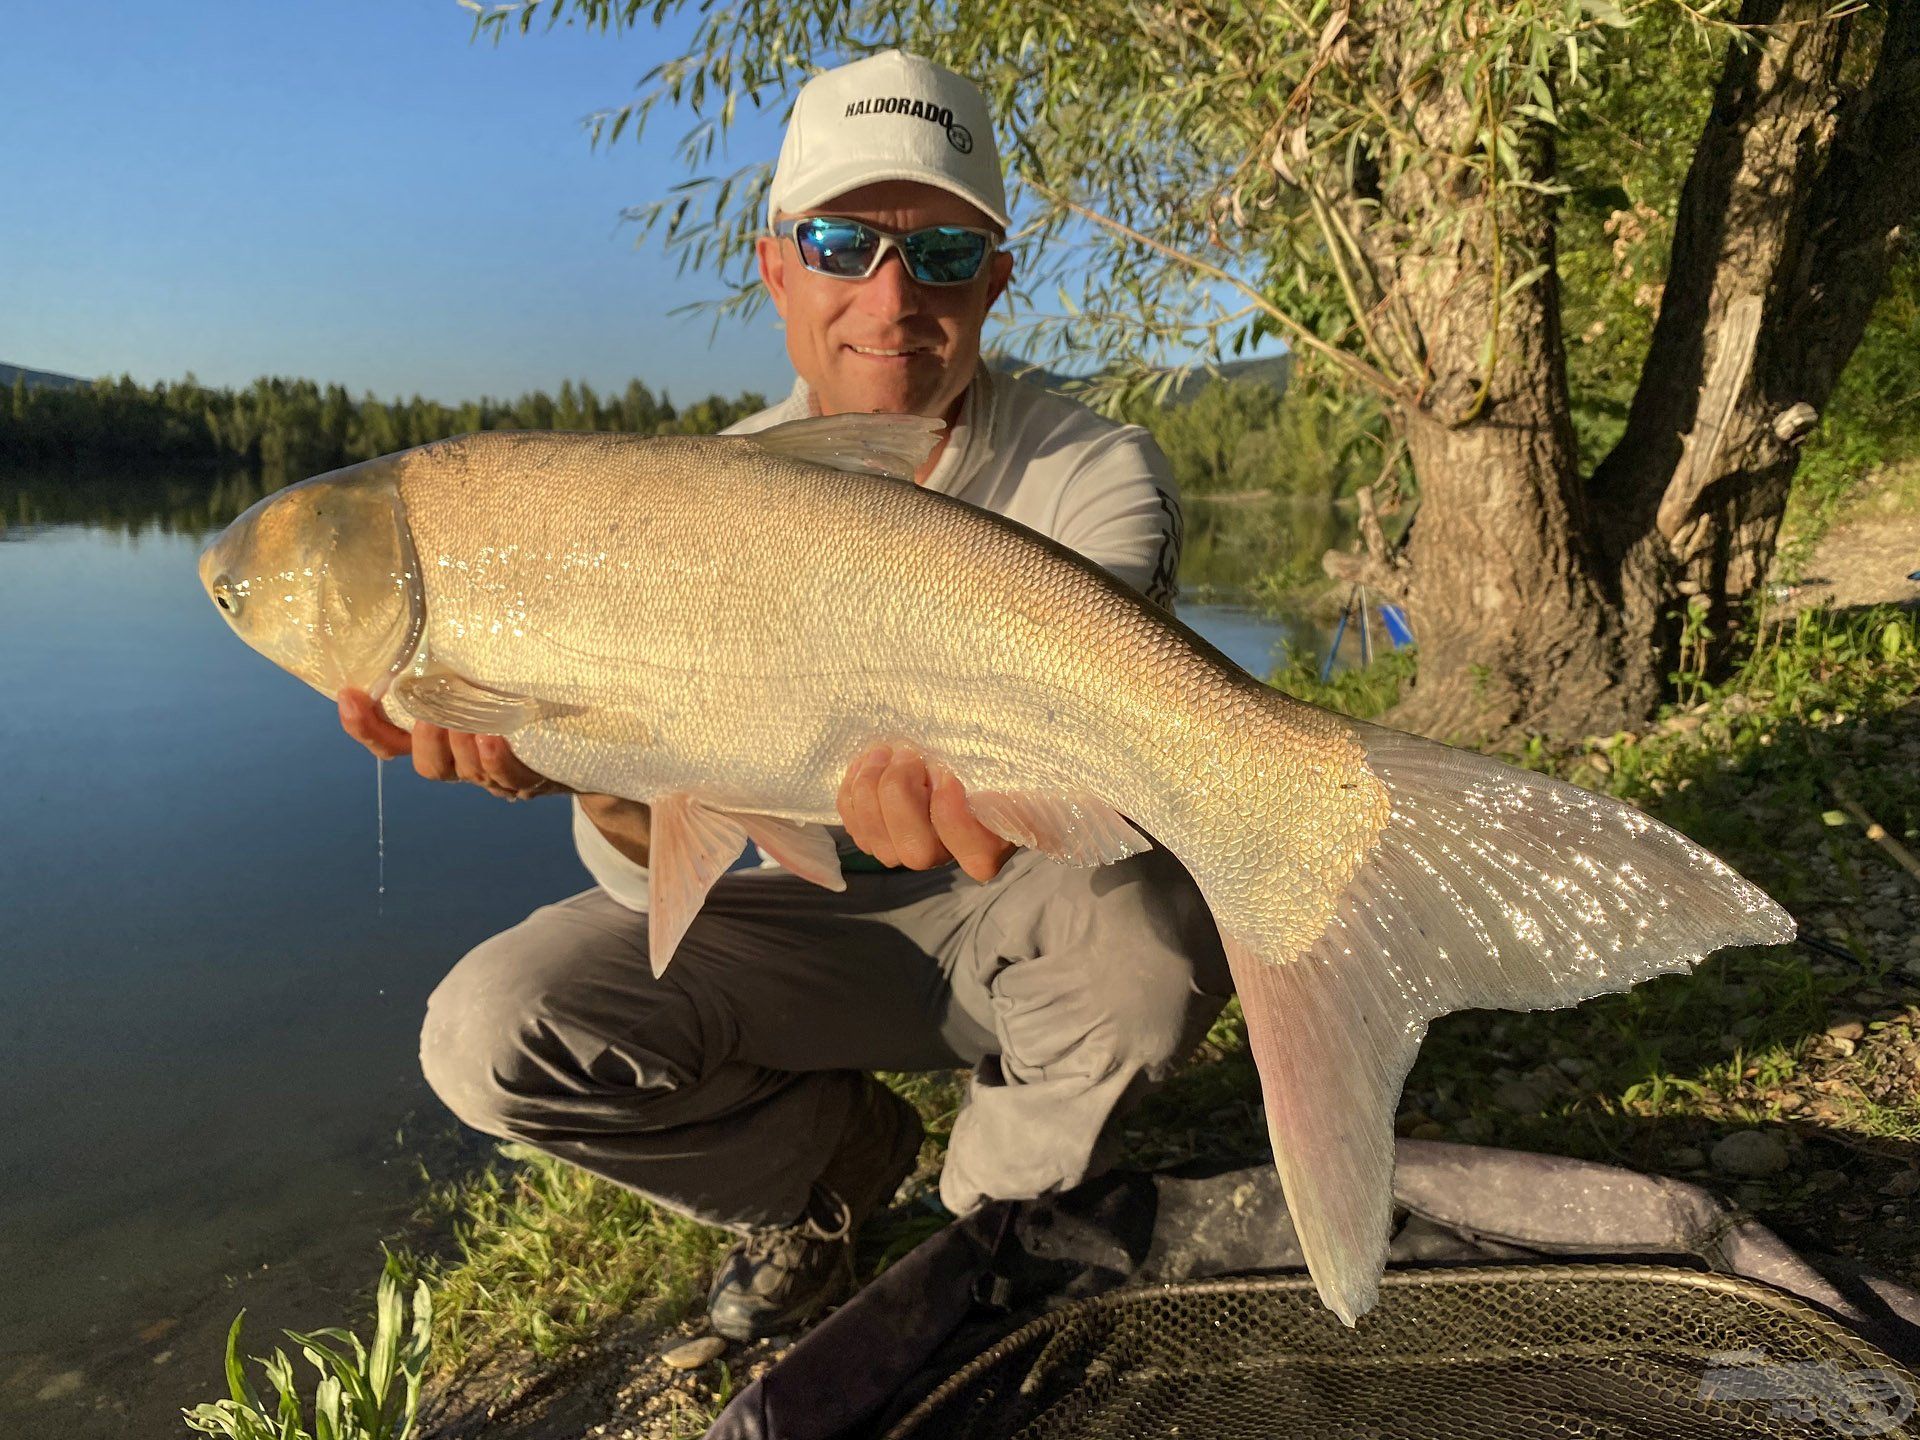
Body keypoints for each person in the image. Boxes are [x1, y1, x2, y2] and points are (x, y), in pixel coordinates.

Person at [339, 49, 1232, 1342]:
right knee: (491, 1029)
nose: (889, 292)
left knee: (1146, 946)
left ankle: (978, 1230)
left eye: (938, 254)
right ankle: (829, 1178)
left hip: (1018, 897)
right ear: (775, 265)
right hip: (798, 921)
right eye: (840, 241)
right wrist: (591, 771)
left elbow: (1104, 736)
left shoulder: (1093, 472)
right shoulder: (689, 497)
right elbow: (657, 871)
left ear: (996, 277)